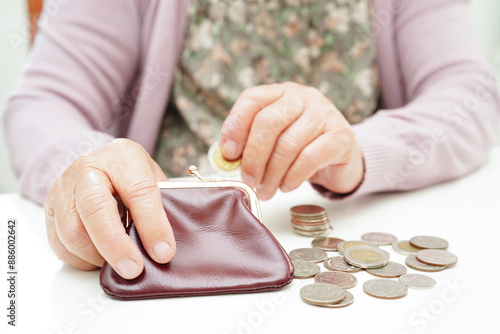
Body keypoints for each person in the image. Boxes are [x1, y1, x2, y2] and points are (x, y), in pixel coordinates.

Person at [4, 0, 499, 280]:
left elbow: (471, 97)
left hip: (336, 237)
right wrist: (90, 168)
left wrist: (362, 151)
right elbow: (43, 104)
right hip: (172, 248)